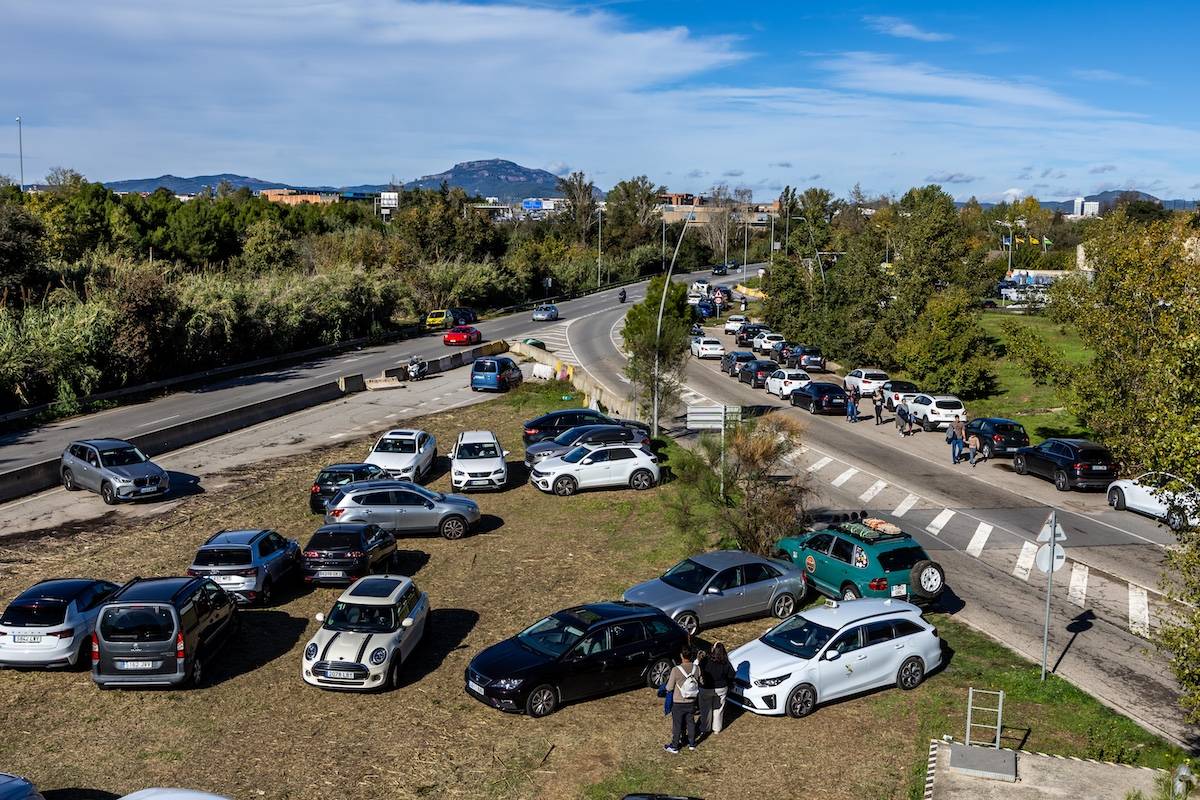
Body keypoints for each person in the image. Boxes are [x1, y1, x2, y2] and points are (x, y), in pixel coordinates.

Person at [664, 645, 700, 753]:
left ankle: (675, 746)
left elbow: (669, 687)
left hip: (678, 702)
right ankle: (692, 743)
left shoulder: (676, 670)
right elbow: (701, 681)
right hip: (691, 700)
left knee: (677, 725)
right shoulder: (696, 668)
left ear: (681, 655)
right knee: (691, 722)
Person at [698, 642, 735, 737]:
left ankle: (705, 728)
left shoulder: (705, 660)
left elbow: (699, 671)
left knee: (705, 709)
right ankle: (717, 729)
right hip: (721, 689)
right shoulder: (726, 663)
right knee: (718, 709)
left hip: (706, 688)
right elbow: (731, 675)